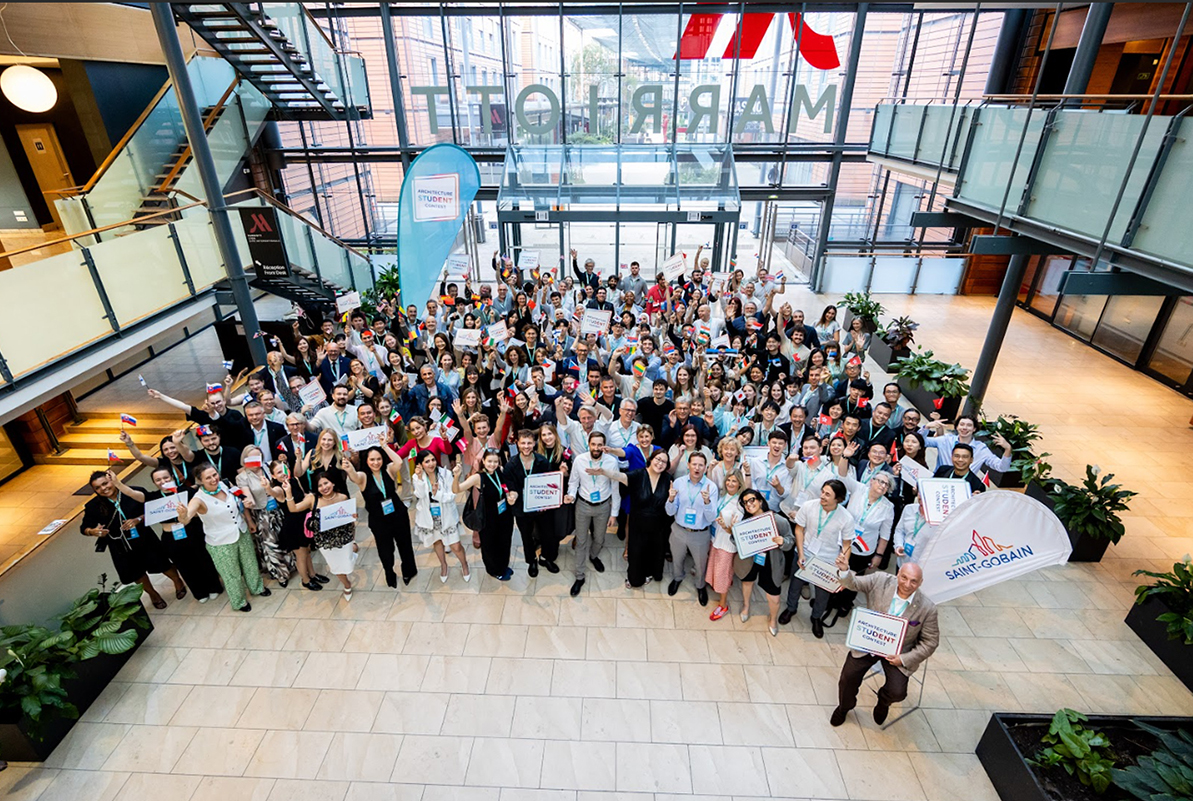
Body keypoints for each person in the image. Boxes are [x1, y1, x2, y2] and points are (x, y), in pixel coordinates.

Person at [829, 555, 940, 727]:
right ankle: (844, 707)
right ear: (898, 574)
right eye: (904, 578)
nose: (907, 584)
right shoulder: (880, 580)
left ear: (920, 583)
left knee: (898, 692)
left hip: (898, 653)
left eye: (913, 581)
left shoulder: (928, 608)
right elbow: (854, 583)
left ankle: (883, 701)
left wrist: (903, 659)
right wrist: (844, 570)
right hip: (869, 643)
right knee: (847, 678)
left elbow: (930, 642)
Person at [81, 470, 188, 609]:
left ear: (112, 480)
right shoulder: (92, 506)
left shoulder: (133, 492)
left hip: (144, 538)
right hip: (120, 545)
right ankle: (153, 594)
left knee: (162, 563)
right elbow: (84, 528)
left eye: (105, 483)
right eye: (98, 487)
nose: (103, 488)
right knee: (137, 573)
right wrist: (93, 531)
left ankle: (177, 581)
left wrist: (139, 519)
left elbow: (153, 510)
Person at [179, 463, 269, 612]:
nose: (213, 479)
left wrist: (248, 514)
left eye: (214, 475)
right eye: (208, 478)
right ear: (200, 480)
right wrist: (182, 515)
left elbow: (240, 497)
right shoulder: (198, 499)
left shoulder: (225, 484)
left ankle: (257, 587)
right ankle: (239, 602)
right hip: (220, 542)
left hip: (241, 531)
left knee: (250, 563)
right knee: (231, 574)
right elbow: (186, 518)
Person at [779, 479, 855, 638]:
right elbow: (799, 530)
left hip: (828, 559)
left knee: (822, 593)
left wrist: (843, 565)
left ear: (838, 499)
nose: (822, 496)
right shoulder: (809, 506)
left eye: (828, 494)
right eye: (822, 491)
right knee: (795, 584)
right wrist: (800, 553)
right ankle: (791, 608)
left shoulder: (846, 518)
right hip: (805, 552)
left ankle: (816, 617)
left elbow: (847, 544)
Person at [343, 444, 418, 588]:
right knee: (385, 551)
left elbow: (399, 462)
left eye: (378, 459)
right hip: (379, 521)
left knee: (405, 545)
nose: (376, 462)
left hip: (398, 515)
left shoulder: (388, 469)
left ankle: (409, 571)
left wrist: (385, 446)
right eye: (372, 459)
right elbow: (353, 476)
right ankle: (389, 573)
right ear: (366, 461)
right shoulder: (363, 477)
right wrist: (348, 465)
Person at [282, 465, 359, 600]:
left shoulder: (343, 497)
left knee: (347, 563)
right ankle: (347, 584)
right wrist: (288, 492)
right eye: (320, 485)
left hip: (344, 538)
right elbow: (293, 509)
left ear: (333, 483)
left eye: (326, 483)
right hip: (325, 542)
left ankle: (351, 554)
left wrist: (353, 535)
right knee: (336, 567)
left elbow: (350, 521)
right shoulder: (313, 499)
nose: (324, 487)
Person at [564, 431, 623, 597]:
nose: (596, 448)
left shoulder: (611, 462)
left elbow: (615, 489)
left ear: (604, 446)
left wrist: (614, 514)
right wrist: (571, 495)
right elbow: (573, 482)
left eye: (599, 445)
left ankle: (593, 556)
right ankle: (580, 576)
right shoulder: (579, 460)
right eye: (593, 444)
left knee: (599, 538)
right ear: (589, 445)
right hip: (583, 505)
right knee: (581, 540)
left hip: (603, 506)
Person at [733, 489, 794, 636]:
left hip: (771, 561)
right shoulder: (745, 521)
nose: (749, 504)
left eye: (752, 500)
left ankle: (773, 619)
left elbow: (790, 540)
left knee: (774, 595)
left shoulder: (778, 520)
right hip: (750, 560)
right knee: (747, 582)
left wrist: (782, 542)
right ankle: (746, 606)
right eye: (745, 502)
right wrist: (734, 531)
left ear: (760, 501)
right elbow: (736, 542)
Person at [664, 451, 718, 606]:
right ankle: (677, 578)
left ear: (705, 467)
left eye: (701, 465)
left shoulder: (711, 487)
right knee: (677, 558)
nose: (697, 468)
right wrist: (671, 499)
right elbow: (670, 512)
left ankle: (700, 586)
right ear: (688, 465)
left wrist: (707, 502)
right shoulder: (678, 483)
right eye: (694, 464)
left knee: (700, 564)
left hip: (700, 534)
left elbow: (711, 518)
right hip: (679, 530)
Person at [236, 445, 295, 586]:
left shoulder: (269, 467)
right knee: (271, 544)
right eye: (251, 458)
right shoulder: (242, 477)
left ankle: (292, 564)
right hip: (263, 514)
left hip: (280, 508)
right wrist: (248, 502)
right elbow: (247, 495)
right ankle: (281, 574)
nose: (255, 460)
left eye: (257, 456)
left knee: (286, 537)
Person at [454, 449, 517, 580]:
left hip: (504, 515)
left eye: (495, 461)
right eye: (489, 461)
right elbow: (457, 489)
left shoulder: (500, 471)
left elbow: (505, 488)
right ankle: (494, 570)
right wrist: (456, 476)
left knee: (505, 541)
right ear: (483, 461)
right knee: (490, 545)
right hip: (488, 518)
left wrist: (511, 496)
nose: (492, 465)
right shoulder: (478, 477)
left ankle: (503, 566)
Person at [267, 460, 328, 591]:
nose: (283, 474)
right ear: (273, 476)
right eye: (279, 472)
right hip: (293, 527)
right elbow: (272, 492)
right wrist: (267, 487)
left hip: (305, 522)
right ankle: (305, 580)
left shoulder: (295, 480)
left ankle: (312, 574)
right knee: (301, 555)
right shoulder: (279, 488)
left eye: (284, 470)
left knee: (307, 551)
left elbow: (304, 495)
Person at [499, 429, 552, 577]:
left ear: (534, 443)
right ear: (517, 444)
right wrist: (512, 496)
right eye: (523, 443)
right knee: (526, 536)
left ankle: (545, 557)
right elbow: (511, 487)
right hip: (521, 508)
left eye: (529, 443)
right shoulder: (511, 465)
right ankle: (531, 561)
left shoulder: (543, 462)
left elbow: (549, 484)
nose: (526, 446)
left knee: (546, 533)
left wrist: (546, 503)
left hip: (541, 507)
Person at [412, 450, 471, 583]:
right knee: (437, 542)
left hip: (447, 516)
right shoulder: (417, 477)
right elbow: (420, 495)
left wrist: (437, 494)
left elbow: (452, 495)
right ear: (420, 464)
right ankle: (443, 565)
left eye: (433, 460)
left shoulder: (446, 474)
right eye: (427, 461)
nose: (431, 464)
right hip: (430, 518)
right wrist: (420, 478)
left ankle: (464, 565)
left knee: (456, 546)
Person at [619, 448, 673, 588]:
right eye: (658, 459)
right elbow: (620, 477)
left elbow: (670, 506)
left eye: (664, 462)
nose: (660, 463)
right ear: (651, 459)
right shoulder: (638, 474)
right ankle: (634, 578)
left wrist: (672, 498)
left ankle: (650, 573)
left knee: (653, 551)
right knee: (636, 551)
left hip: (658, 525)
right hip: (638, 523)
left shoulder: (667, 479)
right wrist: (603, 472)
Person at [707, 470, 745, 620]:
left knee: (723, 574)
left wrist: (725, 526)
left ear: (740, 483)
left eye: (734, 481)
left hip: (727, 544)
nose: (730, 483)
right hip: (716, 539)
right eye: (728, 480)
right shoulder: (723, 496)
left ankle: (723, 604)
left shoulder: (740, 504)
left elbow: (736, 531)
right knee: (716, 568)